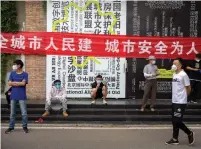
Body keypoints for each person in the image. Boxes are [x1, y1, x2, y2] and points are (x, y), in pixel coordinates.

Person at [166, 58, 194, 145]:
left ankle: (189, 133)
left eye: (175, 63)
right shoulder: (174, 74)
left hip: (181, 102)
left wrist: (184, 97)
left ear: (180, 65)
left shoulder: (183, 75)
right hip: (174, 101)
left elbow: (188, 88)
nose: (173, 65)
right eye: (173, 63)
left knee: (177, 121)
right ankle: (175, 139)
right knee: (174, 120)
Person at [5, 60, 29, 134]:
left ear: (19, 65)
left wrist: (14, 82)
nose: (14, 66)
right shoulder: (12, 73)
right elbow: (9, 83)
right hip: (13, 96)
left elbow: (23, 83)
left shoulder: (25, 74)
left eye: (15, 64)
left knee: (24, 113)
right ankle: (11, 127)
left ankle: (24, 127)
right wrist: (19, 82)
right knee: (12, 113)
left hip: (22, 96)